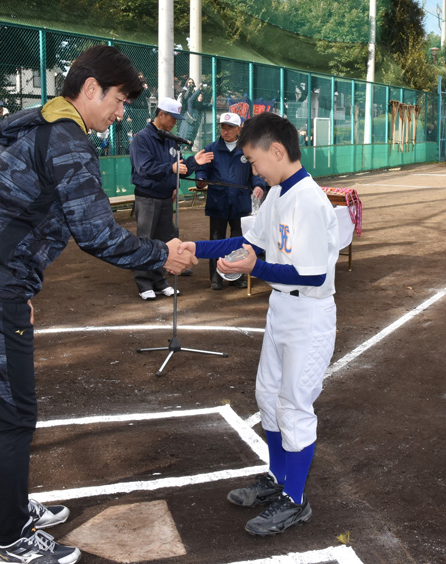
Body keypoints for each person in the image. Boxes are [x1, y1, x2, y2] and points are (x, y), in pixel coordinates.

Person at [0, 45, 198, 564]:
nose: (121, 113)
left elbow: (1, 214)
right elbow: (97, 234)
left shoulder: (43, 126)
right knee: (9, 416)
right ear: (91, 88)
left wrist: (18, 289)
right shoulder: (67, 139)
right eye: (119, 100)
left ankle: (9, 510)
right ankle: (10, 539)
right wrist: (161, 255)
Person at [180, 111, 339, 536]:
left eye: (254, 161)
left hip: (309, 314)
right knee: (268, 395)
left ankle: (295, 501)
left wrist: (256, 268)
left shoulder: (308, 200)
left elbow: (312, 275)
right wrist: (196, 247)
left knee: (294, 406)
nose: (254, 169)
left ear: (278, 151)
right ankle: (278, 479)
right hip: (282, 309)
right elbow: (249, 242)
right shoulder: (278, 193)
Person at [129, 96, 213, 299]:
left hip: (166, 197)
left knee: (165, 241)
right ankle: (144, 283)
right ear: (161, 115)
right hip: (147, 198)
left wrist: (194, 162)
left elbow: (180, 168)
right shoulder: (142, 138)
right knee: (146, 241)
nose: (175, 122)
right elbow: (143, 168)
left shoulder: (171, 140)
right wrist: (171, 168)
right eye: (173, 118)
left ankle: (160, 281)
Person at [194, 112, 266, 290]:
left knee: (239, 242)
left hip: (240, 204)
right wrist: (200, 179)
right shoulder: (212, 148)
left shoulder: (247, 149)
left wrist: (259, 185)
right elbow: (202, 170)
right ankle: (216, 278)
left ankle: (237, 277)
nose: (225, 131)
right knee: (216, 241)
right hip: (217, 203)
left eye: (230, 128)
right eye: (223, 127)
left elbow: (256, 172)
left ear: (238, 129)